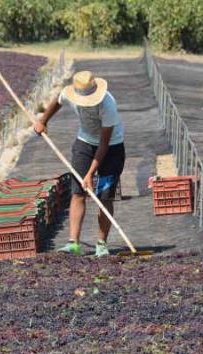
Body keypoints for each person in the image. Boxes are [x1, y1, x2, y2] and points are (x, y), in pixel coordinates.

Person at [34, 70, 125, 258]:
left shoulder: (108, 104)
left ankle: (101, 244)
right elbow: (56, 102)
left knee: (104, 196)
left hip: (111, 148)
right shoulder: (70, 94)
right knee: (78, 192)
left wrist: (90, 174)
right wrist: (43, 121)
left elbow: (104, 144)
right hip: (84, 143)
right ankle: (73, 243)